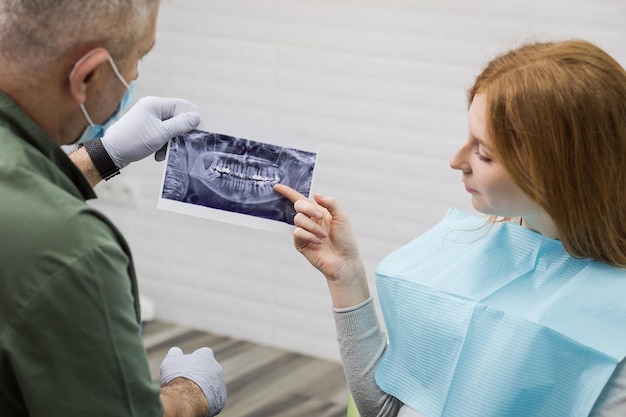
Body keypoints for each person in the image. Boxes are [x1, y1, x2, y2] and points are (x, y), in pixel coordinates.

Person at [274, 39, 626, 417]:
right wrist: (345, 276)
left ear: (558, 169)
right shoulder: (463, 256)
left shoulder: (613, 337)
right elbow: (384, 409)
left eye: (484, 152)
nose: (457, 160)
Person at [0, 1, 226, 416]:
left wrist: (99, 157)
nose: (136, 76)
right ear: (87, 75)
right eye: (138, 57)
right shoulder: (73, 250)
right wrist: (190, 394)